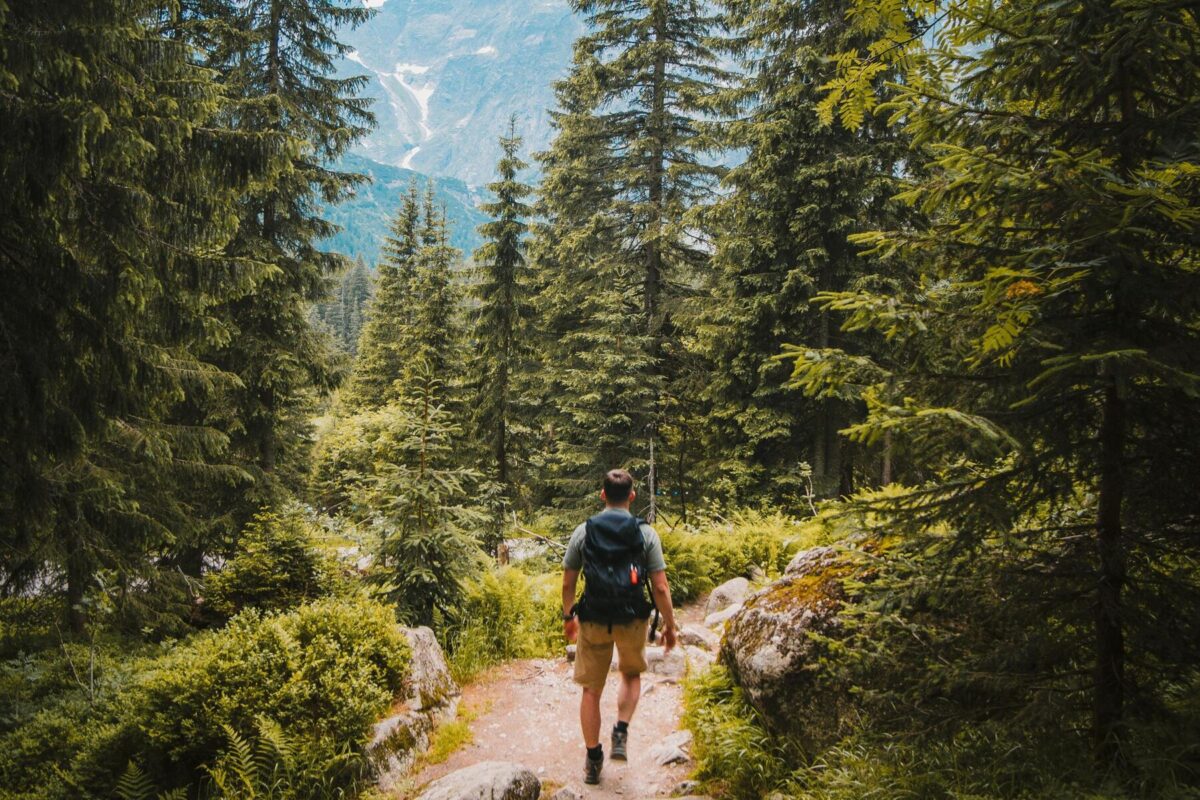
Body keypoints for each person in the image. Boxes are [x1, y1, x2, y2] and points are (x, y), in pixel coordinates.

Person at [561, 469, 677, 785]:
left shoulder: (583, 532)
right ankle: (621, 731)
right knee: (630, 674)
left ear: (602, 495)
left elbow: (569, 580)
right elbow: (661, 587)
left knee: (591, 690)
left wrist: (569, 617)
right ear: (631, 496)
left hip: (595, 617)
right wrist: (670, 626)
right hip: (631, 619)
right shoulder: (646, 534)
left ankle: (593, 758)